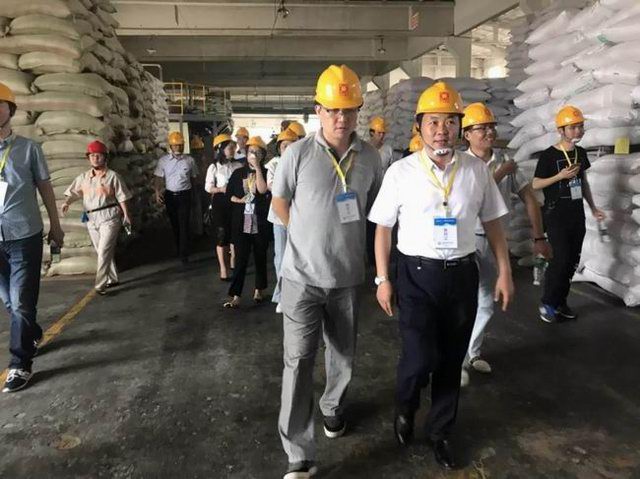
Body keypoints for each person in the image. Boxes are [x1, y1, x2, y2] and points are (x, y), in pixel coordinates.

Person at [368, 81, 513, 469]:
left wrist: (504, 271)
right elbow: (382, 228)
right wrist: (382, 279)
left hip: (462, 275)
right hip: (416, 275)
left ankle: (441, 432)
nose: (441, 130)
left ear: (460, 127)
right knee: (419, 356)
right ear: (419, 126)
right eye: (433, 122)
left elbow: (493, 223)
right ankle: (406, 404)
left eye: (450, 122)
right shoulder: (401, 172)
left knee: (451, 359)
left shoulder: (476, 171)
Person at [272, 64, 382, 479]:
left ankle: (333, 407)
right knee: (298, 361)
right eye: (333, 110)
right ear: (317, 110)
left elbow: (378, 212)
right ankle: (298, 452)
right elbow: (279, 203)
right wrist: (304, 235)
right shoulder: (297, 154)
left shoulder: (371, 157)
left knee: (343, 354)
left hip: (348, 279)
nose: (341, 118)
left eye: (349, 110)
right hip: (301, 279)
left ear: (358, 111)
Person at [460, 103, 551, 384]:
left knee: (487, 302)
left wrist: (539, 237)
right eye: (481, 128)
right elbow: (472, 197)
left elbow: (529, 199)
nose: (489, 132)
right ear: (467, 134)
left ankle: (472, 353)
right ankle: (455, 361)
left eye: (491, 127)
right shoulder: (459, 164)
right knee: (462, 303)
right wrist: (501, 173)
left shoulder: (507, 161)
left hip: (494, 241)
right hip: (464, 242)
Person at [0, 82, 65, 393]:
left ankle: (20, 363)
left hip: (24, 234)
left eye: (0, 105)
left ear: (10, 110)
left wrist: (56, 225)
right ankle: (33, 333)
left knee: (22, 303)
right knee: (9, 301)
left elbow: (46, 189)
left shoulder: (29, 149)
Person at [532, 105, 605, 323]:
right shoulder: (549, 155)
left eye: (580, 127)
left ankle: (561, 302)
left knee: (573, 260)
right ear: (561, 130)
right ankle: (547, 303)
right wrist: (560, 176)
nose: (578, 131)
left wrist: (593, 208)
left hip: (576, 214)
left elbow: (583, 182)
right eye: (572, 127)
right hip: (556, 215)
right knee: (560, 260)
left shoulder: (580, 153)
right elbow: (535, 184)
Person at [62, 141, 132, 295]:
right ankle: (112, 278)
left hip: (109, 216)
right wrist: (67, 202)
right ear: (88, 158)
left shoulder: (113, 176)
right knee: (102, 250)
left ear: (105, 157)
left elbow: (122, 197)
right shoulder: (83, 178)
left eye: (98, 156)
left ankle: (100, 284)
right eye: (92, 156)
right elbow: (74, 192)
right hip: (91, 217)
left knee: (104, 249)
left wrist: (126, 215)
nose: (95, 158)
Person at [223, 136, 271, 308]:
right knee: (241, 258)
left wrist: (257, 168)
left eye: (258, 153)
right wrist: (239, 200)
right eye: (251, 152)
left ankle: (259, 289)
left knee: (260, 255)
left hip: (260, 220)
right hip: (242, 220)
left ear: (263, 155)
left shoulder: (266, 172)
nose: (254, 155)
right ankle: (236, 295)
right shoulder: (238, 173)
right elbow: (229, 195)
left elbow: (262, 190)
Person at [266, 128, 299, 313]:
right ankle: (281, 296)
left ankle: (296, 295)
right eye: (285, 145)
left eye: (292, 145)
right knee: (280, 257)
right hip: (279, 218)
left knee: (298, 258)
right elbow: (273, 187)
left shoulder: (301, 162)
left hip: (299, 217)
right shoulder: (273, 164)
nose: (288, 149)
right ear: (279, 147)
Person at [153, 131, 199, 264]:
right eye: (175, 145)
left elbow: (194, 178)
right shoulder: (164, 161)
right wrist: (157, 192)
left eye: (180, 145)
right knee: (175, 223)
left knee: (184, 223)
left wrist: (195, 195)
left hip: (185, 195)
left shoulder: (189, 161)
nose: (178, 147)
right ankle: (179, 246)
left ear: (183, 146)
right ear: (170, 146)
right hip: (170, 196)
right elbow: (158, 177)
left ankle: (184, 253)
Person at [205, 134, 242, 281]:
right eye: (229, 148)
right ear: (221, 149)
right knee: (222, 234)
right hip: (220, 202)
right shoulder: (214, 167)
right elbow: (208, 187)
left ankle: (233, 261)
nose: (232, 150)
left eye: (233, 147)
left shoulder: (238, 166)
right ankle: (223, 268)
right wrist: (221, 189)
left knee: (236, 232)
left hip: (236, 201)